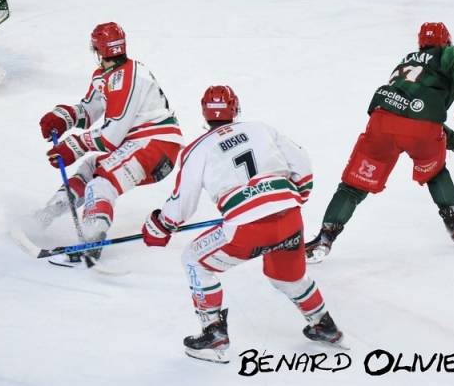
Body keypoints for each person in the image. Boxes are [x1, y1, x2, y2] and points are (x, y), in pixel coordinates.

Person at [141, 85, 346, 364]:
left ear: (205, 113)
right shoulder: (260, 128)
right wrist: (292, 196)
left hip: (246, 228)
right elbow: (303, 164)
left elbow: (182, 202)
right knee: (288, 277)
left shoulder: (196, 149)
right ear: (235, 109)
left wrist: (161, 225)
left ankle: (213, 335)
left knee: (194, 260)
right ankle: (325, 325)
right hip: (289, 217)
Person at [304, 22, 454, 263]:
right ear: (446, 41)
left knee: (353, 187)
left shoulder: (407, 63)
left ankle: (326, 237)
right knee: (435, 172)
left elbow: (411, 110)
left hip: (382, 123)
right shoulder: (448, 53)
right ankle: (453, 222)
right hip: (422, 129)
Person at [36, 22, 184, 267]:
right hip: (141, 144)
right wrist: (63, 118)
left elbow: (111, 136)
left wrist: (73, 145)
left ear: (97, 48)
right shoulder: (107, 75)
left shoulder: (129, 76)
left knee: (103, 181)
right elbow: (90, 110)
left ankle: (92, 240)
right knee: (89, 170)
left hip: (155, 143)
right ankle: (47, 213)